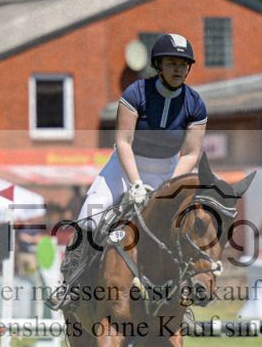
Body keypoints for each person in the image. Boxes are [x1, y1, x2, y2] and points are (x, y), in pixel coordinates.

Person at [51, 33, 207, 304]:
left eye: (183, 64)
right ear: (158, 65)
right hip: (125, 166)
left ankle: (183, 297)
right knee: (91, 213)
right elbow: (123, 142)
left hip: (168, 170)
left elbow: (191, 152)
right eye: (171, 63)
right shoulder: (136, 93)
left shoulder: (195, 104)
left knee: (187, 225)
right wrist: (135, 183)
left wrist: (169, 186)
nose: (178, 69)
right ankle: (70, 285)